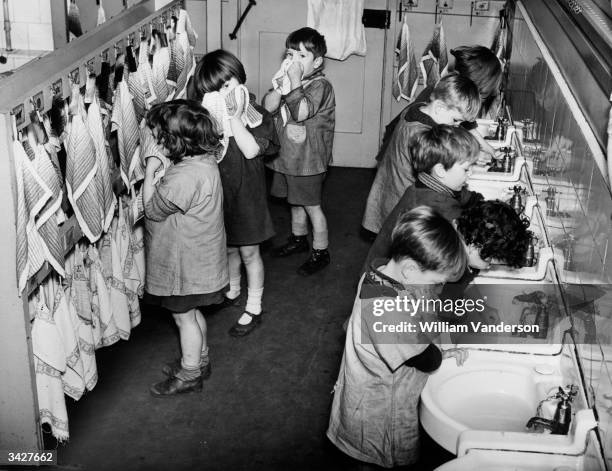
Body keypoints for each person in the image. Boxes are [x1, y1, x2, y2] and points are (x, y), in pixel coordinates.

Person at [327, 206, 469, 469]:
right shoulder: (385, 312)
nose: (437, 289)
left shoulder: (380, 274)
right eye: (436, 281)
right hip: (376, 413)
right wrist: (441, 353)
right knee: (373, 460)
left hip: (371, 397)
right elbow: (426, 359)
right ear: (410, 270)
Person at [189, 49, 279, 337]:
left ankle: (253, 305)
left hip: (247, 193)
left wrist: (235, 118)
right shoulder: (207, 119)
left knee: (250, 251)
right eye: (213, 92)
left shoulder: (258, 115)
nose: (222, 96)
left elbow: (252, 149)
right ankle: (234, 288)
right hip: (220, 193)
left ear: (240, 79)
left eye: (227, 86)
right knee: (227, 246)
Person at [142, 100, 228, 396]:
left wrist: (151, 173)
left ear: (175, 143)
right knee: (191, 313)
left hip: (185, 266)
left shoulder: (184, 176)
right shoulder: (203, 162)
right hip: (200, 260)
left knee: (183, 318)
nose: (154, 141)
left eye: (158, 137)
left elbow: (152, 210)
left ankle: (190, 373)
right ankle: (199, 360)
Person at [363, 125, 530, 273]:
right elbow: (461, 249)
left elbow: (467, 198)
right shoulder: (436, 207)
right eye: (466, 168)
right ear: (441, 170)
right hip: (386, 280)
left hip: (386, 267)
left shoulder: (428, 184)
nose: (471, 173)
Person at [362, 76, 480, 235]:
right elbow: (440, 180)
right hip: (401, 200)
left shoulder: (418, 108)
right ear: (439, 108)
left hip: (388, 191)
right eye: (455, 120)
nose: (456, 127)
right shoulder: (423, 135)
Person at [263, 27, 336, 276]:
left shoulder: (320, 86)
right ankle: (298, 239)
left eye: (302, 56)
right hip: (287, 159)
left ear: (317, 61)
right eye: (290, 54)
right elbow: (268, 107)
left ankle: (321, 250)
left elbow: (301, 112)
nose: (294, 61)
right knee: (294, 202)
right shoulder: (289, 81)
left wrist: (294, 82)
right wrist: (282, 85)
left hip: (308, 161)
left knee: (311, 206)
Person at [377, 45, 503, 164]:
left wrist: (491, 150)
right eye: (482, 94)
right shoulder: (440, 99)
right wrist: (472, 156)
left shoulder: (453, 95)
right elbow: (436, 149)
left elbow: (469, 126)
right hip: (397, 153)